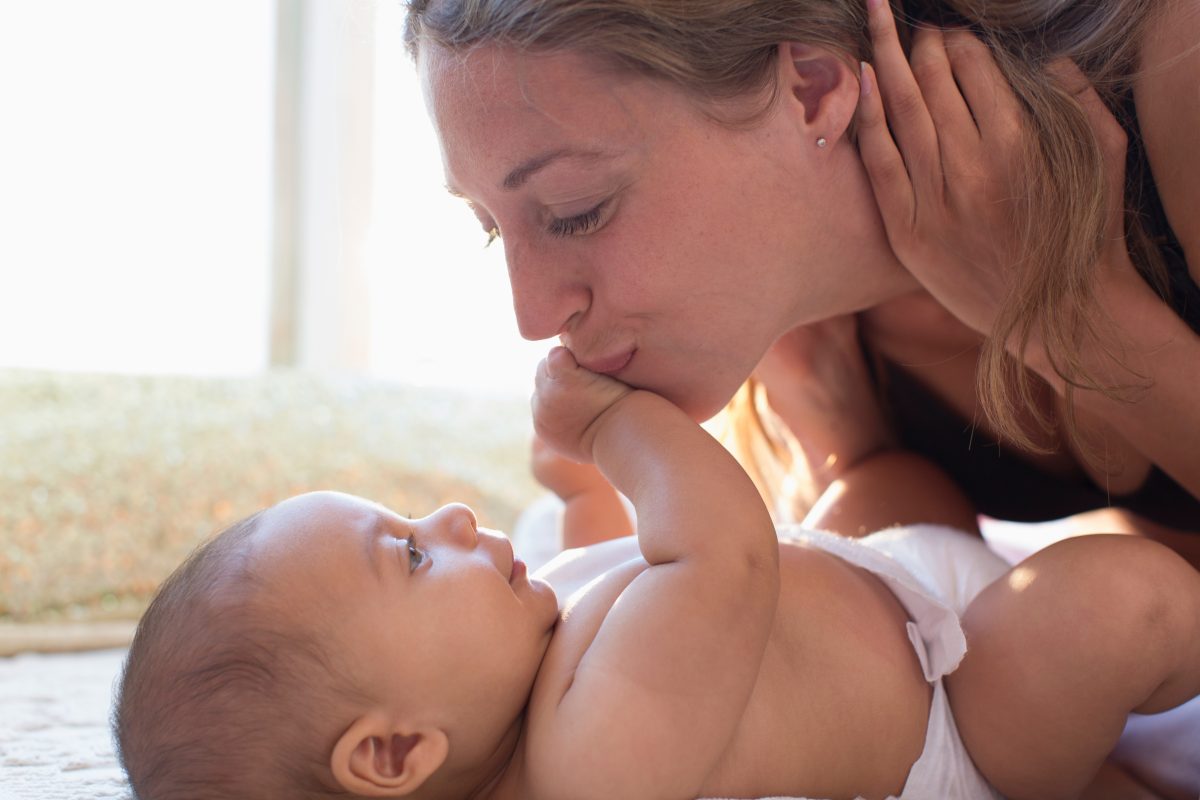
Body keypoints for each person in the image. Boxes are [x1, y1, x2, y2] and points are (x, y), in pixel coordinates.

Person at [114, 347, 1200, 800]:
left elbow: (602, 542)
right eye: (406, 553)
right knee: (1123, 601)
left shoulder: (520, 656)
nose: (446, 515)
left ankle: (875, 470)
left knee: (889, 478)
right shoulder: (595, 765)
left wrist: (577, 480)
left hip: (874, 581)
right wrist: (613, 424)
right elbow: (719, 551)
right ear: (394, 749)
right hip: (959, 714)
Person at [403, 0, 1200, 551]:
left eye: (577, 210)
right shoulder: (797, 333)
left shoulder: (1172, 70)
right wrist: (853, 462)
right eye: (489, 229)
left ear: (812, 87)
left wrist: (1071, 317)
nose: (534, 315)